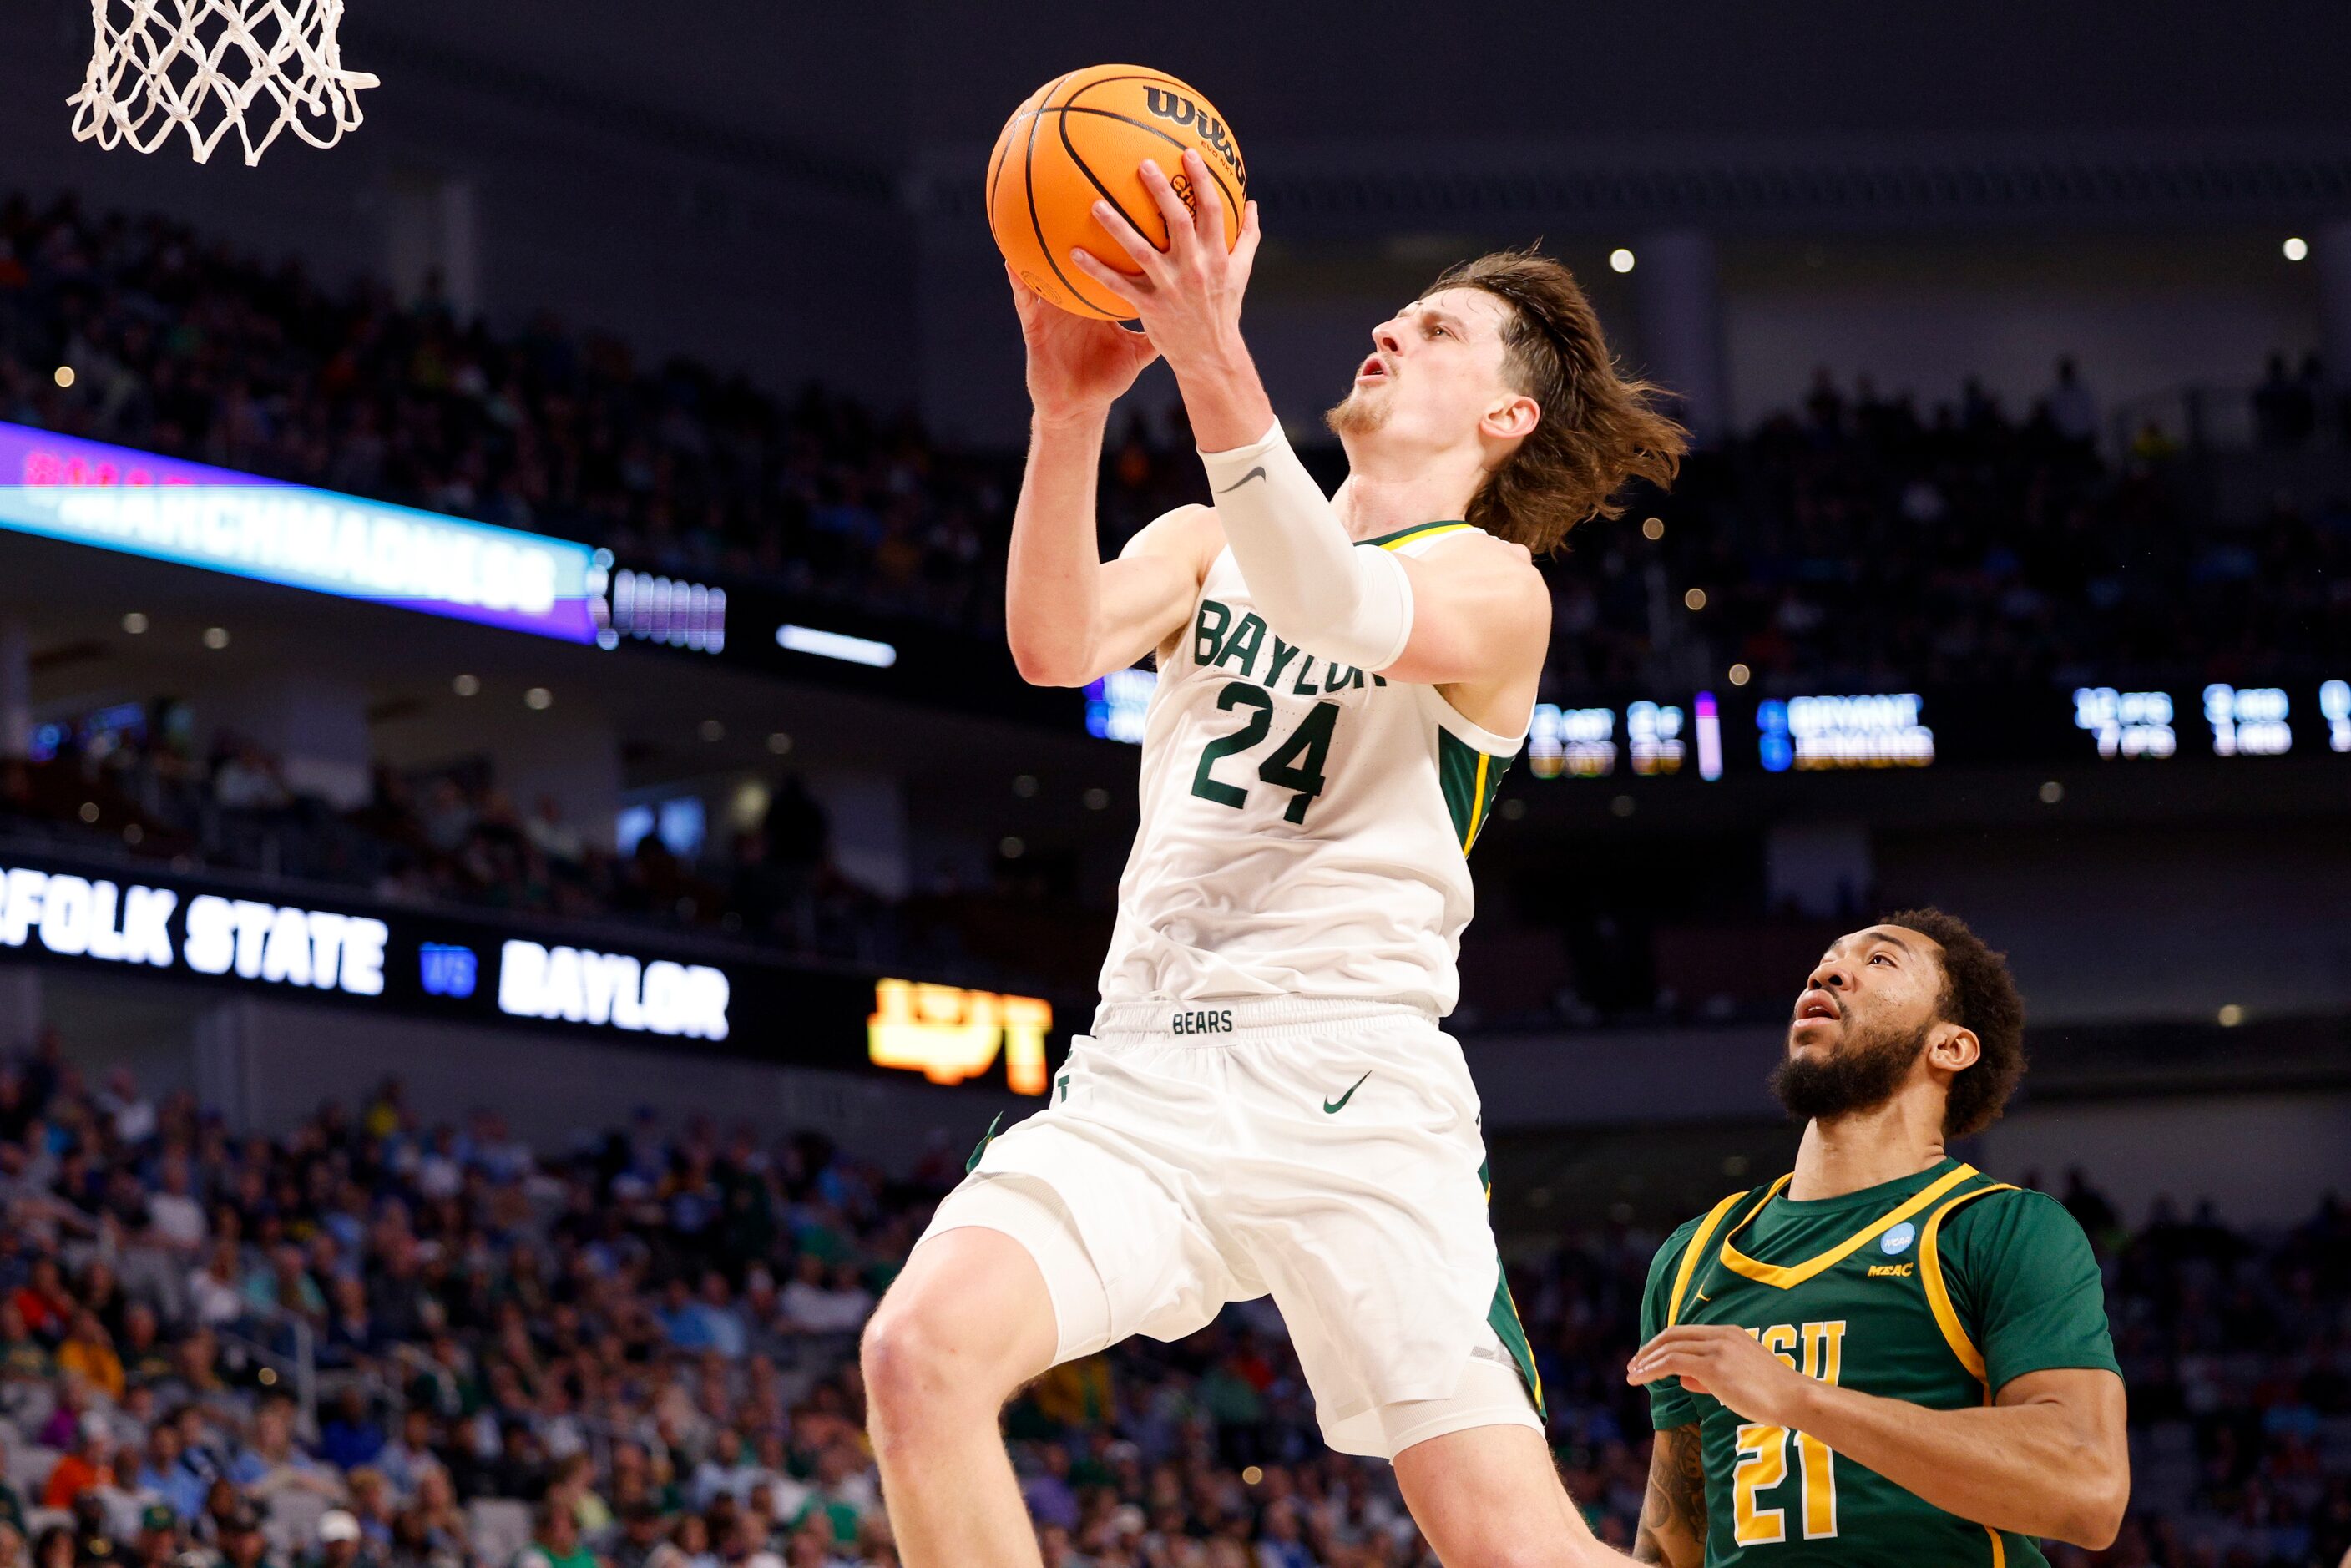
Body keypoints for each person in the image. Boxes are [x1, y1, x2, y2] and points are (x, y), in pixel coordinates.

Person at [864, 148, 1685, 1568]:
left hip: (1351, 1093)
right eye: (1399, 312)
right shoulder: (1201, 542)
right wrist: (1066, 418)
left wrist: (1203, 345)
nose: (1389, 328)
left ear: (1505, 412)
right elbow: (1052, 647)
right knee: (917, 1354)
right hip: (1143, 1082)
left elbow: (1330, 591)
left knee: (1509, 1546)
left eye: (1436, 330)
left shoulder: (1496, 589)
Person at [1625, 908, 2130, 1565]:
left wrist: (1798, 1399)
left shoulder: (1997, 1229)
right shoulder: (1692, 1256)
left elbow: (2087, 1489)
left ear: (1951, 1046)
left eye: (1880, 960)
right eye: (1831, 957)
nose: (1828, 969)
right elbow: (1669, 1551)